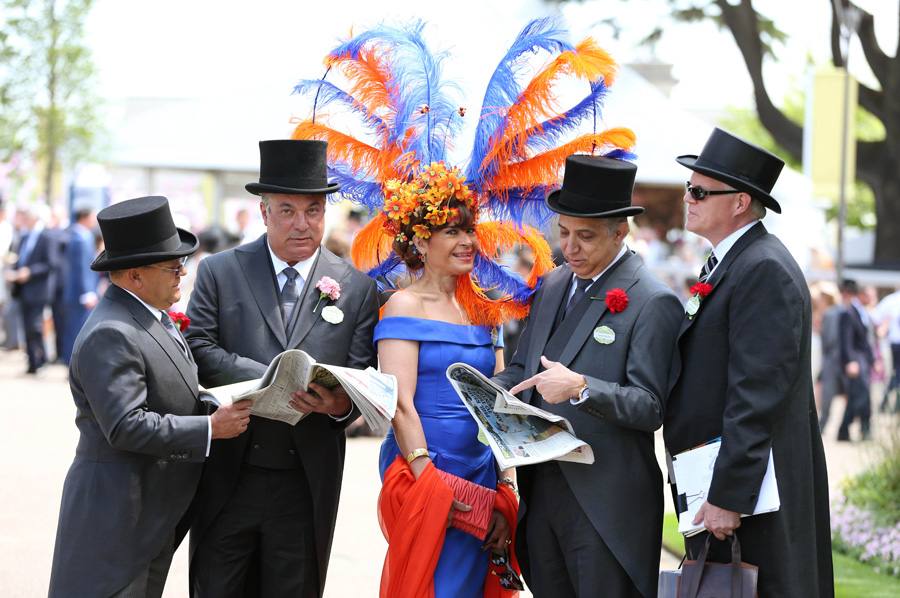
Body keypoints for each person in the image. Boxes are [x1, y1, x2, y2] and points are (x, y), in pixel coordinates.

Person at [185, 139, 380, 597]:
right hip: (230, 474)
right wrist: (269, 378)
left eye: (313, 210)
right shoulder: (220, 271)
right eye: (287, 210)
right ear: (264, 210)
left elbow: (357, 375)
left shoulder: (355, 287)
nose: (301, 223)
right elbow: (198, 345)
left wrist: (336, 405)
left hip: (305, 481)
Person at [493, 155, 684, 598]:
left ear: (621, 232)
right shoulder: (554, 283)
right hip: (541, 490)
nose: (571, 247)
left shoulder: (653, 300)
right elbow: (524, 367)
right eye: (563, 233)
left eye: (586, 236)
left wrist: (581, 388)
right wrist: (484, 396)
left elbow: (651, 406)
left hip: (607, 504)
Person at [48, 195, 251, 598]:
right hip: (117, 521)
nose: (182, 273)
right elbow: (126, 425)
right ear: (135, 276)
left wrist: (212, 402)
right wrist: (209, 429)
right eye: (173, 266)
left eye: (183, 264)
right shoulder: (112, 332)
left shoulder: (150, 316)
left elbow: (170, 388)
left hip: (148, 515)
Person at [664, 128, 833, 596]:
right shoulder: (733, 261)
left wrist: (727, 496)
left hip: (756, 494)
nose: (688, 198)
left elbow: (756, 394)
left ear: (739, 202)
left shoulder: (763, 268)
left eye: (699, 190)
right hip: (727, 479)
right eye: (688, 187)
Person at [374, 163, 530, 597]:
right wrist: (429, 483)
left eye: (469, 231)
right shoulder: (402, 306)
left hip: (480, 474)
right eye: (451, 231)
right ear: (421, 240)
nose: (467, 242)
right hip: (424, 468)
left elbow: (500, 404)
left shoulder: (486, 309)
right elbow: (399, 404)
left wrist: (505, 485)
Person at [6, 203, 61, 373]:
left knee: (35, 326)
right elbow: (20, 259)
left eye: (27, 218)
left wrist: (29, 272)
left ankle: (41, 358)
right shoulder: (23, 237)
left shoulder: (46, 237)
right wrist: (13, 269)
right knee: (26, 326)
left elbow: (51, 264)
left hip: (38, 289)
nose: (24, 221)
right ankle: (32, 362)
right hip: (22, 289)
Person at [59, 203, 100, 364]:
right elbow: (84, 267)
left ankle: (69, 361)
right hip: (81, 294)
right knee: (78, 329)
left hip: (72, 292)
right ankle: (73, 364)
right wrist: (88, 292)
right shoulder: (82, 237)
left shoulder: (73, 234)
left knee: (72, 328)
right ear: (85, 217)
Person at [836, 279, 876, 441]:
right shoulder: (849, 312)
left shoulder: (862, 312)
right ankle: (859, 429)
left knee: (858, 396)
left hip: (863, 360)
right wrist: (850, 361)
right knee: (861, 395)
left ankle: (847, 430)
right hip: (856, 361)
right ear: (861, 294)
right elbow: (845, 340)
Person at [817, 282, 847, 432]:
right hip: (842, 359)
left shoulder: (829, 314)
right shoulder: (841, 311)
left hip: (831, 360)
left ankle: (822, 426)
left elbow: (829, 340)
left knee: (827, 396)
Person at [876, 286, 900, 413]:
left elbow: (876, 316)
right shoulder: (892, 301)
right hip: (895, 343)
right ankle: (889, 403)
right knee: (896, 375)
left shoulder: (890, 300)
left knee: (896, 375)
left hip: (894, 343)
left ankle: (888, 403)